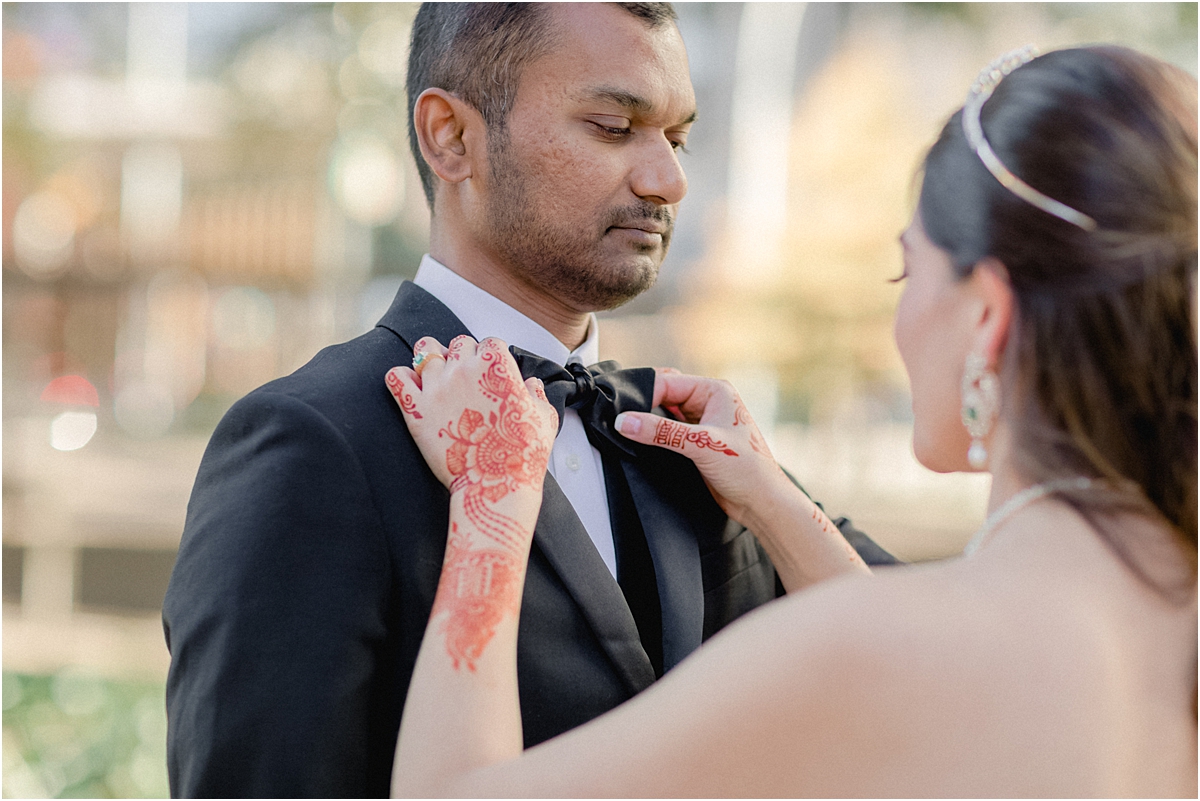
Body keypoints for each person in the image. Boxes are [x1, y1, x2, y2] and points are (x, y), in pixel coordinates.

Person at [387, 44, 1197, 797]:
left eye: (907, 269)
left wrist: (492, 500)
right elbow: (924, 677)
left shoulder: (863, 654)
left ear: (987, 314)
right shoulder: (1164, 620)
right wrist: (774, 502)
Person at [162, 3, 893, 797]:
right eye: (615, 126)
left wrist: (778, 501)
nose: (667, 179)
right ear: (451, 136)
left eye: (677, 138)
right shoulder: (313, 441)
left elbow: (927, 672)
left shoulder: (698, 441)